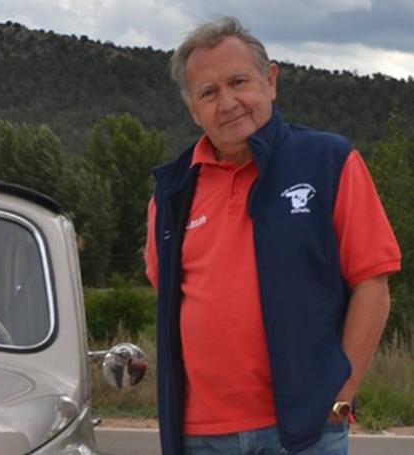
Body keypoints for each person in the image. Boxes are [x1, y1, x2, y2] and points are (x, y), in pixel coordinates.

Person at [144, 16, 401, 455]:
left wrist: (339, 400)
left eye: (238, 82)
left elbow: (372, 287)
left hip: (301, 431)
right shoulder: (173, 192)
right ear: (193, 109)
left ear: (271, 80)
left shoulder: (328, 161)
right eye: (208, 93)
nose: (227, 103)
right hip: (199, 434)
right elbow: (167, 292)